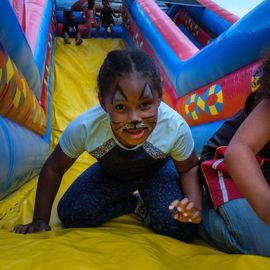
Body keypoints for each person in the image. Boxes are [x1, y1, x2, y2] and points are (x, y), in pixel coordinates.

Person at [14, 49, 202, 242]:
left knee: (179, 227)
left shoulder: (173, 126)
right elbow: (54, 167)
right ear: (103, 103)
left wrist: (194, 205)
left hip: (157, 172)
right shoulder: (86, 127)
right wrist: (40, 220)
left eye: (145, 104)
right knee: (71, 213)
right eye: (121, 107)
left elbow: (188, 167)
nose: (135, 119)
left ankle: (151, 199)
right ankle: (133, 204)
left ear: (159, 98)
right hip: (113, 174)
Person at [174, 54, 270, 256]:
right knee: (262, 246)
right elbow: (238, 151)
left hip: (259, 171)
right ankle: (199, 212)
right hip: (223, 167)